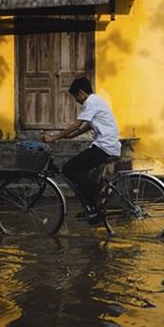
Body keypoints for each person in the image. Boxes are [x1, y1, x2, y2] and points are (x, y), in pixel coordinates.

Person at [42, 76, 121, 222]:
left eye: (75, 97)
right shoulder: (96, 101)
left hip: (104, 146)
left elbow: (77, 124)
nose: (76, 101)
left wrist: (55, 138)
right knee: (81, 174)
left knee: (68, 170)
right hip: (107, 145)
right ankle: (92, 209)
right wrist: (71, 137)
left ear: (81, 92)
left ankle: (99, 190)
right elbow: (88, 126)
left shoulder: (90, 102)